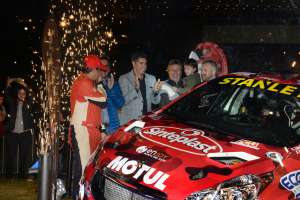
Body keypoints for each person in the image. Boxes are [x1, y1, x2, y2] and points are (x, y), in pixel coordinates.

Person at [69, 54, 108, 199]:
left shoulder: (88, 83)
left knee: (88, 168)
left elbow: (98, 112)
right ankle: (77, 197)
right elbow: (103, 101)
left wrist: (102, 130)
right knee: (83, 169)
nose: (101, 74)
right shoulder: (84, 82)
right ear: (93, 69)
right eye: (100, 70)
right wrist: (100, 86)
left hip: (90, 130)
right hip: (82, 131)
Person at [118, 51, 161, 125]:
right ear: (133, 63)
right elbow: (122, 101)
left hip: (146, 120)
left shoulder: (151, 78)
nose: (144, 66)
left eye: (145, 63)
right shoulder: (124, 78)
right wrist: (135, 89)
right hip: (129, 121)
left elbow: (156, 102)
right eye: (141, 63)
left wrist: (156, 92)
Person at [5, 79, 34, 179]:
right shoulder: (13, 103)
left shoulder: (28, 104)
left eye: (23, 93)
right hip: (13, 133)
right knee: (11, 155)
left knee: (24, 155)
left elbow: (32, 94)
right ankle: (9, 175)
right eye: (20, 93)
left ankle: (23, 175)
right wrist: (9, 84)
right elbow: (7, 95)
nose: (22, 95)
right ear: (17, 94)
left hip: (24, 134)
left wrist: (25, 84)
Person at [99, 56, 125, 134]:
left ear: (109, 69)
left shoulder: (114, 84)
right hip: (99, 128)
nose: (103, 68)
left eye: (106, 66)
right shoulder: (92, 84)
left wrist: (110, 90)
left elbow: (120, 103)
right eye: (101, 66)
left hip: (113, 127)